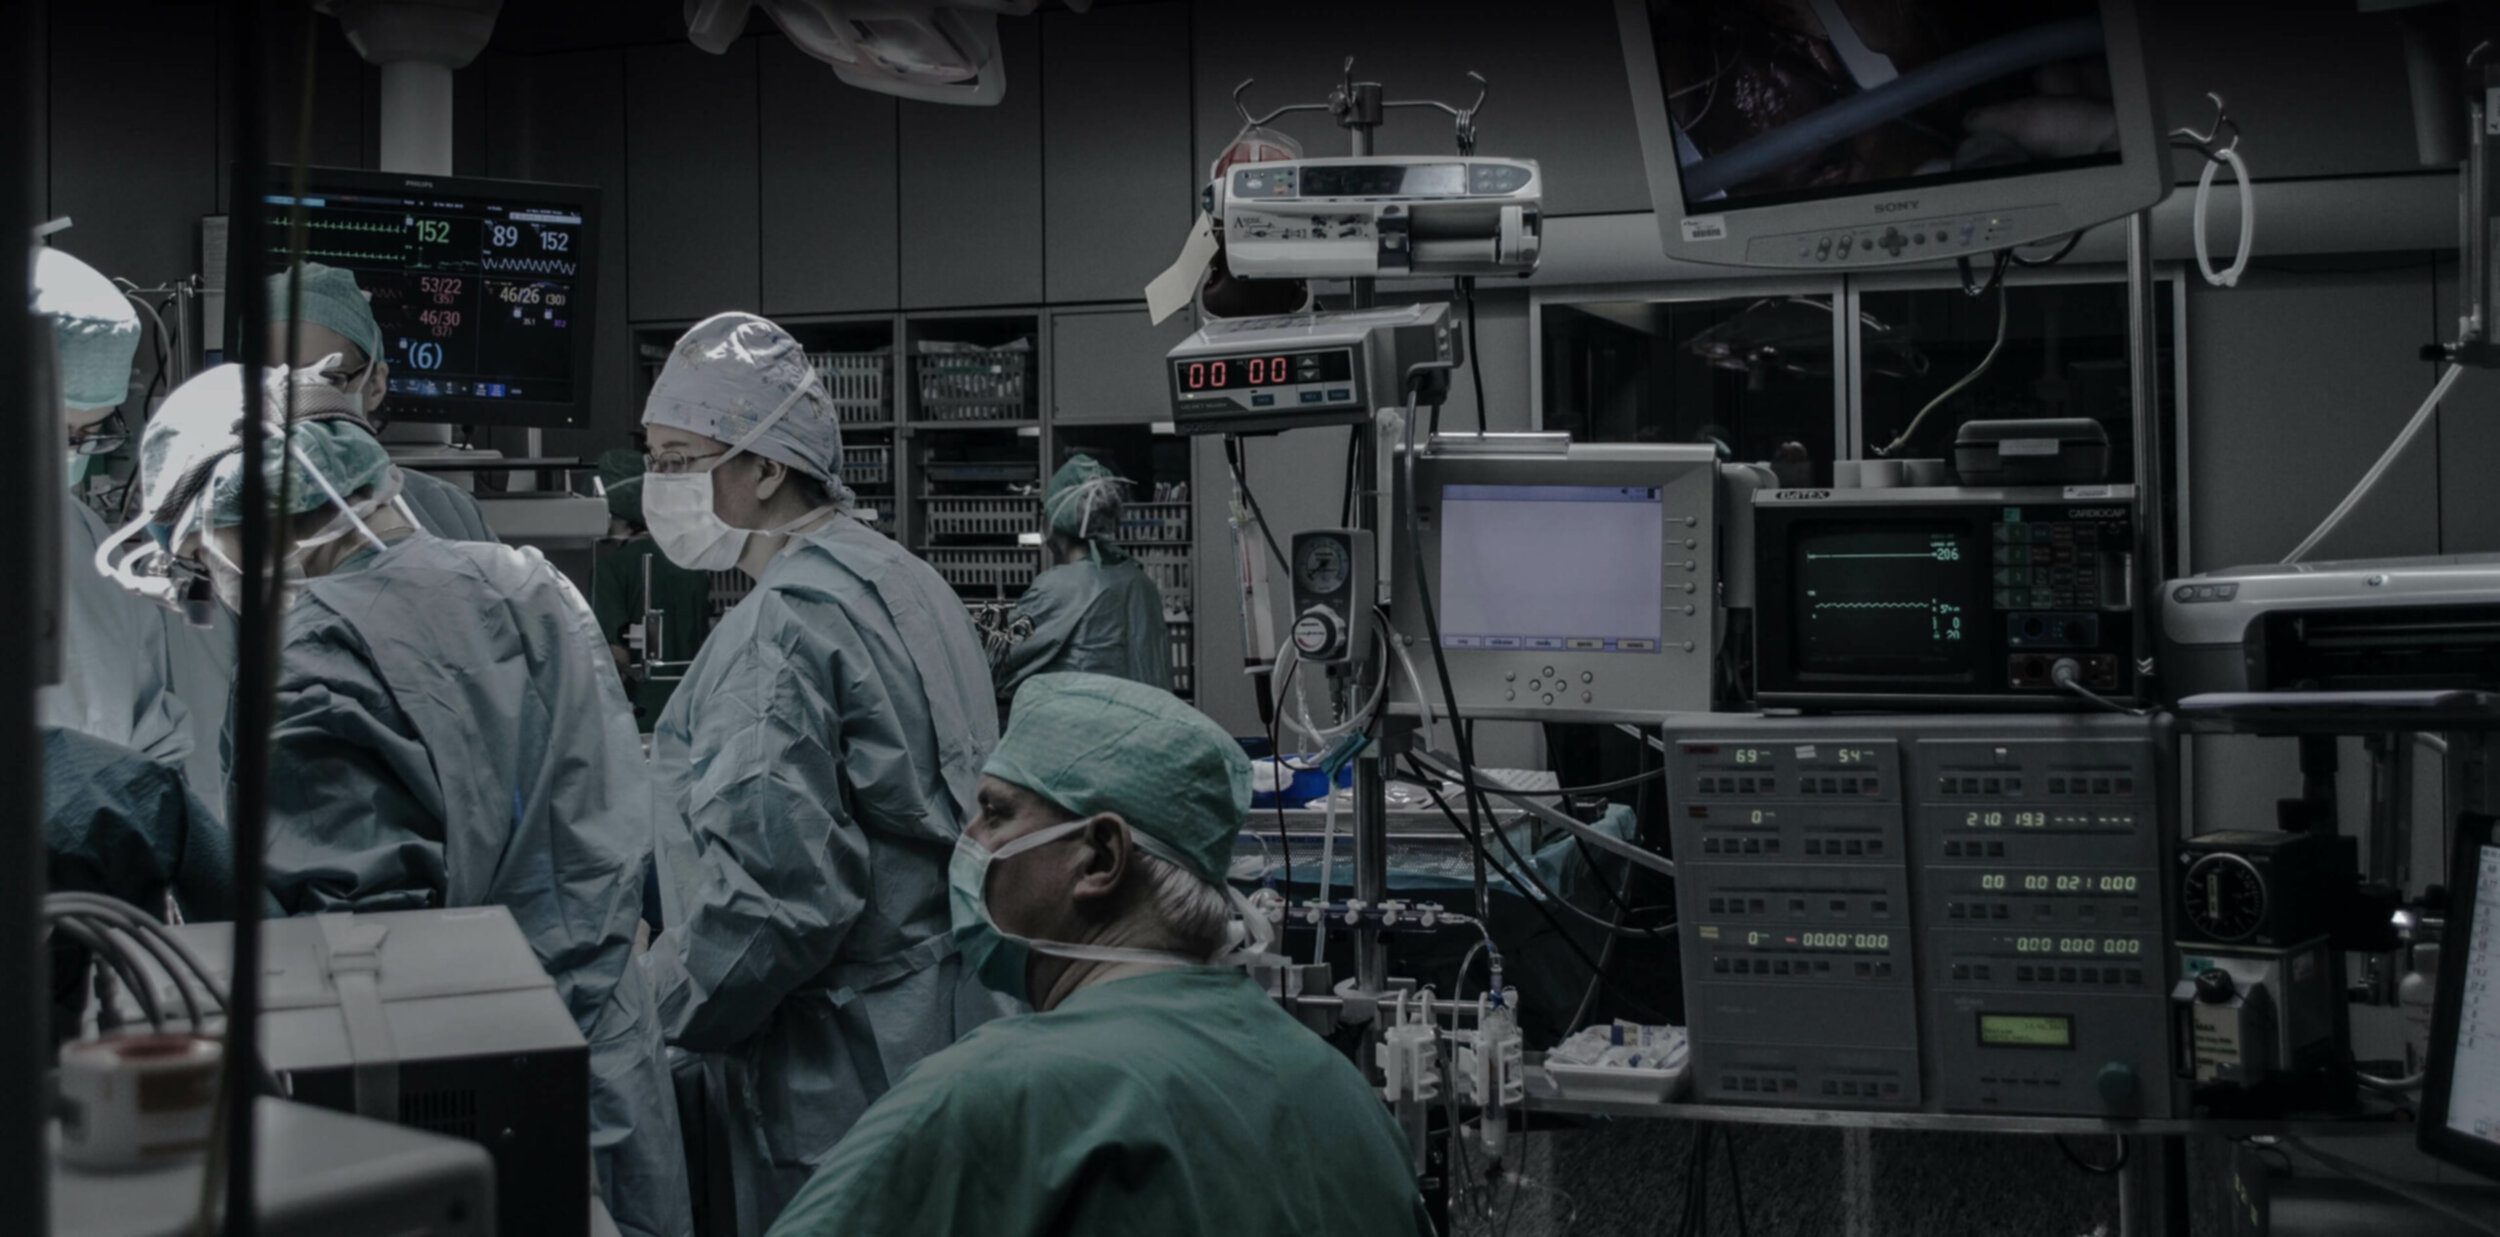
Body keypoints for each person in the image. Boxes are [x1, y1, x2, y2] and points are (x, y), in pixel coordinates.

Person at [108, 363, 691, 1237]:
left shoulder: (316, 661)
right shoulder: (527, 582)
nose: (214, 585)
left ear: (249, 517)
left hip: (468, 1100)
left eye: (203, 558)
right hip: (608, 1064)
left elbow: (359, 955)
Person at [766, 672, 1432, 1237]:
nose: (967, 841)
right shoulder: (1341, 1096)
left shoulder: (994, 1097)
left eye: (995, 813)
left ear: (1102, 856)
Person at [635, 311, 1006, 1236]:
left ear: (764, 467)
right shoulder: (905, 580)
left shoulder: (781, 628)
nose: (658, 485)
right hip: (952, 1019)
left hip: (839, 1060)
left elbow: (776, 899)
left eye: (682, 459)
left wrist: (646, 1016)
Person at [31, 246, 194, 774]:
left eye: (85, 435)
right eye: (52, 432)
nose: (69, 457)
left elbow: (154, 736)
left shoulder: (82, 538)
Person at [264, 262, 498, 543]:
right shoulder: (221, 523)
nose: (299, 401)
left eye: (327, 378)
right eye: (269, 380)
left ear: (375, 385)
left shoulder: (446, 511)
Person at [987, 454, 1171, 698]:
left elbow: (996, 664)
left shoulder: (1058, 589)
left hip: (1079, 729)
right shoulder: (1140, 581)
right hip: (1143, 729)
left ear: (1056, 518)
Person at [589, 446, 716, 686]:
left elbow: (615, 660)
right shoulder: (690, 559)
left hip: (641, 710)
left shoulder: (611, 566)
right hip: (692, 700)